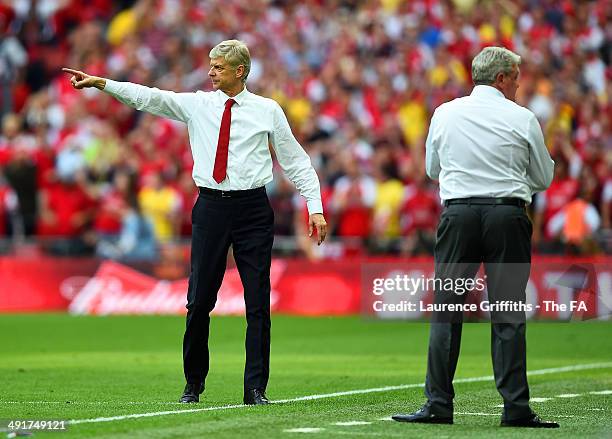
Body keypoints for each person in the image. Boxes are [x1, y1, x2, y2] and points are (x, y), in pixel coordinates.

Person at [62, 39, 328, 405]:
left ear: (240, 71)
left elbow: (295, 160)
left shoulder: (268, 110)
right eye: (211, 65)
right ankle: (193, 383)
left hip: (253, 209)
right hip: (211, 208)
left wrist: (314, 205)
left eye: (218, 67)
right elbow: (148, 97)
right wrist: (103, 83)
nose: (210, 72)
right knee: (199, 300)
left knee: (257, 303)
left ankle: (255, 389)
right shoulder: (198, 104)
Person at [392, 47, 558, 428]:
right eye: (515, 76)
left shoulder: (445, 113)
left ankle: (437, 404)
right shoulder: (523, 117)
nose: (517, 83)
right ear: (501, 78)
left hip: (459, 215)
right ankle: (515, 407)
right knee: (509, 314)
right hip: (507, 215)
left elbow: (433, 168)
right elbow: (544, 178)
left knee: (446, 311)